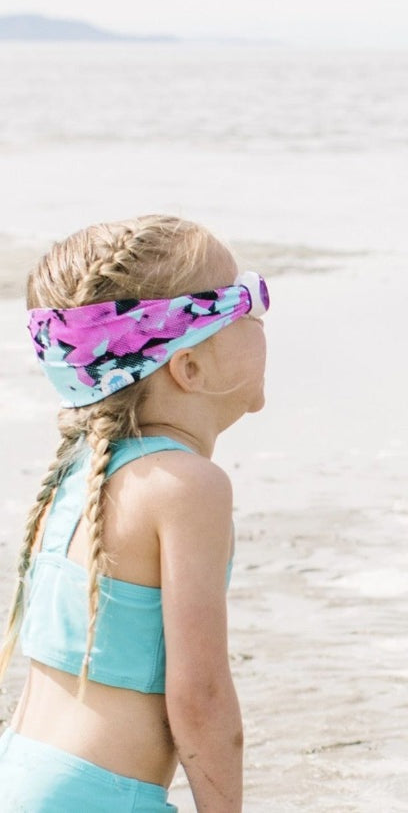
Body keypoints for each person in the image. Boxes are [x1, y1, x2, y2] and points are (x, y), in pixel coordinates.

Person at [0, 214, 268, 811]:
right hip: (99, 797)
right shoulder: (186, 486)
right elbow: (201, 698)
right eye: (247, 300)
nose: (261, 317)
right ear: (189, 367)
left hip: (20, 773)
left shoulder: (80, 471)